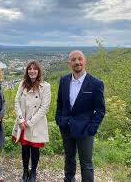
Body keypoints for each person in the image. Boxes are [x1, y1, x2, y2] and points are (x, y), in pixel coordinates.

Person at [55, 50, 105, 182]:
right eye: (73, 59)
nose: (77, 62)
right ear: (69, 63)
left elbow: (100, 110)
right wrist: (59, 120)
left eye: (80, 59)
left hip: (85, 130)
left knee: (86, 164)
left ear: (85, 61)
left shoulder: (95, 83)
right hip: (66, 127)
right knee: (69, 158)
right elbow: (59, 103)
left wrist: (92, 129)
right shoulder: (64, 80)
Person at [12, 60, 51, 182]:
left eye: (35, 69)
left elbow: (44, 108)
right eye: (30, 68)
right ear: (27, 71)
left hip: (36, 124)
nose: (32, 71)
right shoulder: (22, 84)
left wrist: (29, 122)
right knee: (24, 149)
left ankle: (33, 171)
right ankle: (24, 172)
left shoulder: (45, 86)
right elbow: (16, 101)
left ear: (39, 71)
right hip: (22, 122)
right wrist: (20, 119)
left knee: (34, 149)